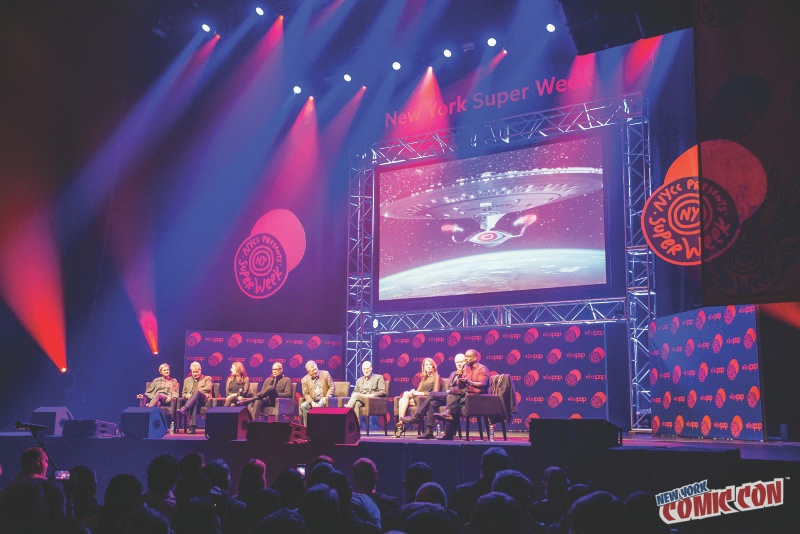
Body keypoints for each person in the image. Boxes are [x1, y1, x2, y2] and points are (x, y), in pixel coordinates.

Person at [400, 353, 467, 439]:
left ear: (465, 362)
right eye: (457, 362)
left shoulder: (467, 373)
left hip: (459, 397)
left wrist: (451, 390)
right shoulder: (453, 373)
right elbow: (450, 387)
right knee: (433, 403)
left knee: (432, 394)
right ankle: (429, 432)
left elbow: (461, 388)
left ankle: (417, 417)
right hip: (449, 395)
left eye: (461, 362)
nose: (459, 364)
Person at [432, 348, 488, 440]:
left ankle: (448, 433)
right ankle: (448, 425)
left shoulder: (482, 368)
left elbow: (483, 384)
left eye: (468, 356)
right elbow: (461, 386)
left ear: (475, 358)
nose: (466, 358)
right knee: (453, 399)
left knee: (453, 401)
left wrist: (469, 382)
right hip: (466, 395)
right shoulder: (466, 369)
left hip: (477, 398)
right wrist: (459, 380)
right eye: (465, 356)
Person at [395, 357, 442, 437]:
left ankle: (401, 424)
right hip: (419, 399)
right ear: (424, 367)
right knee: (403, 398)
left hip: (427, 400)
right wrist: (414, 392)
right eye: (426, 365)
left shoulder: (436, 377)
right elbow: (418, 390)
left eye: (430, 364)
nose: (428, 366)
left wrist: (419, 393)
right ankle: (401, 423)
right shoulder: (424, 378)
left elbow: (435, 392)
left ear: (433, 366)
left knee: (405, 395)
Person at [178, 361, 213, 434]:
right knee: (194, 402)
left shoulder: (207, 378)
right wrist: (186, 395)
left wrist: (192, 393)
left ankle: (185, 408)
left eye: (196, 372)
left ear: (200, 370)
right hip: (192, 401)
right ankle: (192, 427)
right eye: (193, 372)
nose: (195, 374)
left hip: (203, 400)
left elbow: (208, 388)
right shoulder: (187, 380)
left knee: (196, 392)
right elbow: (183, 393)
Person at [300, 360, 334, 426]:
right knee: (303, 405)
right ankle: (307, 428)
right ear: (308, 372)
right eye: (313, 371)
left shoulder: (325, 374)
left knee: (320, 405)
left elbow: (332, 387)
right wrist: (311, 402)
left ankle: (318, 428)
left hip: (324, 399)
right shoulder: (304, 380)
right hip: (313, 401)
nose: (315, 371)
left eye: (316, 369)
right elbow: (306, 394)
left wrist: (326, 397)